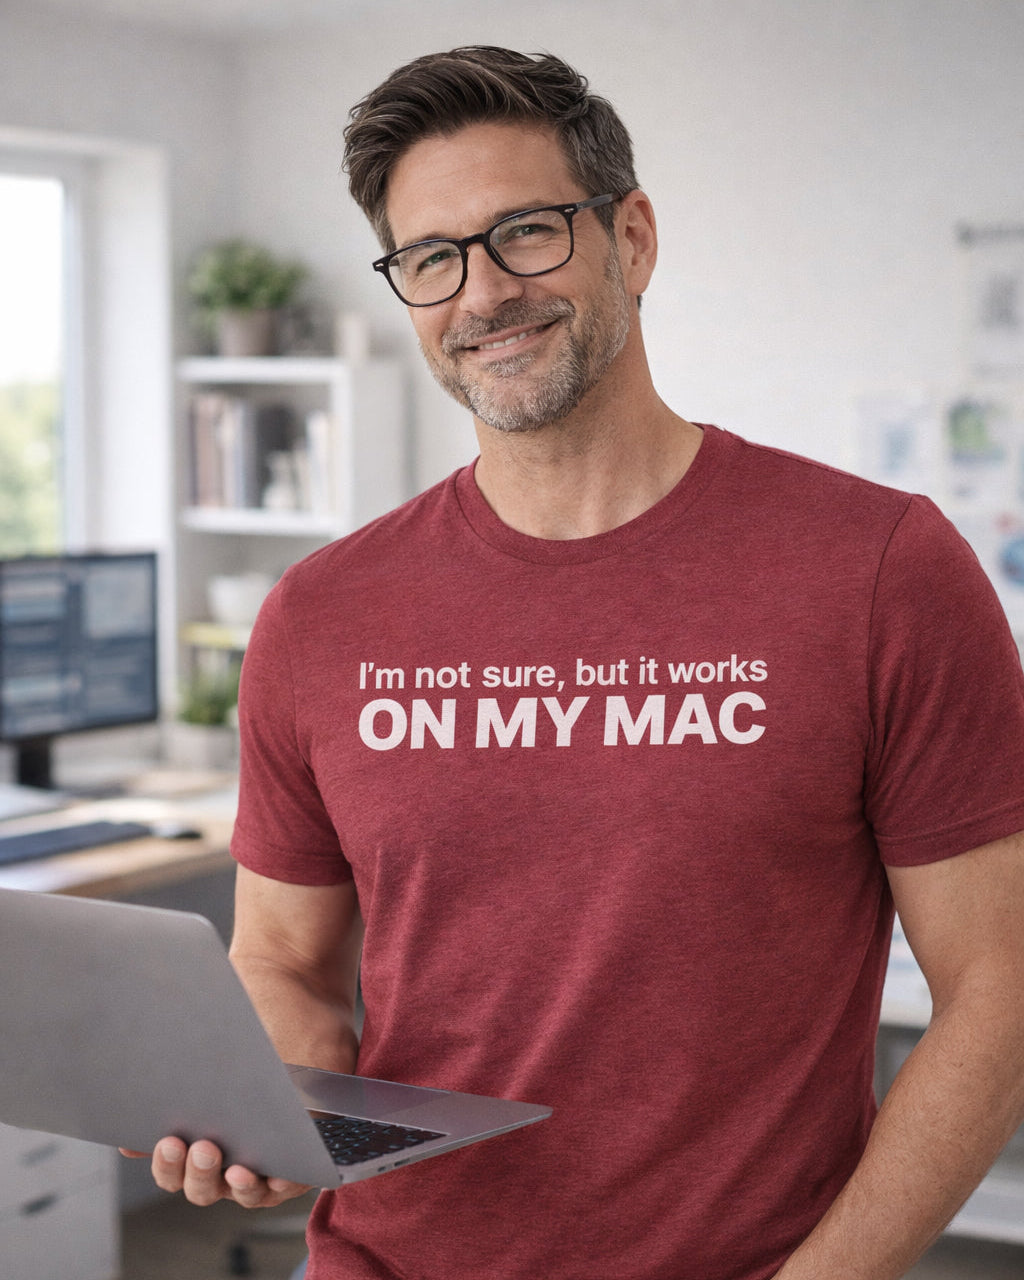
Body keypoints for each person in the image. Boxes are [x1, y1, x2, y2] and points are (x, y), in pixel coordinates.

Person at [135, 46, 1024, 1280]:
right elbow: (283, 957)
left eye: (527, 232)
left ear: (633, 239)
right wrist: (259, 1102)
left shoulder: (878, 568)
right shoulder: (318, 614)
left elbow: (1000, 986)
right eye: (431, 258)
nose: (482, 292)